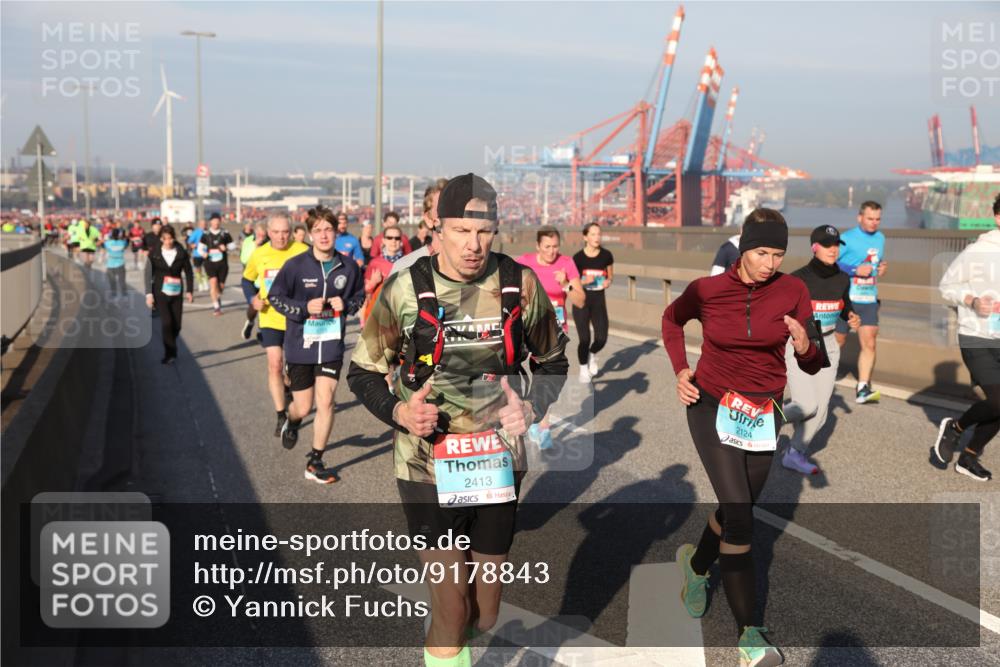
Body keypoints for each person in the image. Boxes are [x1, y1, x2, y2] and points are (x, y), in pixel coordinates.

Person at [346, 173, 568, 667]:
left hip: (496, 463)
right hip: (425, 462)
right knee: (450, 606)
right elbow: (361, 371)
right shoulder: (405, 288)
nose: (473, 245)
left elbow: (553, 363)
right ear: (437, 228)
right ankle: (446, 643)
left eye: (484, 232)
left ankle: (456, 637)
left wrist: (532, 406)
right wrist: (399, 410)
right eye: (461, 231)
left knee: (483, 614)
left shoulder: (519, 283)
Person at [663, 208, 821, 667]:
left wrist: (804, 345)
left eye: (777, 253)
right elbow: (672, 321)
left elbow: (814, 361)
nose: (770, 263)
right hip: (711, 404)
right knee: (740, 516)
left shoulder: (794, 290)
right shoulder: (708, 291)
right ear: (743, 248)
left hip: (763, 411)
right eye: (760, 252)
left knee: (741, 508)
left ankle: (695, 566)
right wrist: (680, 369)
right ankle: (750, 634)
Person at [267, 207, 364, 483]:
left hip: (332, 344)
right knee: (304, 405)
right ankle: (293, 419)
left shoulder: (347, 266)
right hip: (301, 345)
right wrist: (302, 307)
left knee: (327, 401)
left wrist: (346, 305)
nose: (324, 235)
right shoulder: (296, 265)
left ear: (336, 232)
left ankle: (315, 461)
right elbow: (275, 297)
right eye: (318, 230)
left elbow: (359, 296)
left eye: (329, 229)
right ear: (310, 234)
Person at [781, 226, 860, 475]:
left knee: (822, 413)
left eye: (836, 244)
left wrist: (850, 315)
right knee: (806, 405)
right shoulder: (797, 279)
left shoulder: (843, 278)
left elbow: (844, 304)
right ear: (814, 247)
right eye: (827, 245)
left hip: (828, 345)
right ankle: (763, 417)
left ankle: (794, 453)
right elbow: (779, 315)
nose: (833, 249)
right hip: (801, 344)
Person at [933, 194, 1000, 482]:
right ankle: (956, 428)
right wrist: (971, 300)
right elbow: (946, 286)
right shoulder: (978, 251)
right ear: (998, 217)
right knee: (998, 401)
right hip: (976, 336)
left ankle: (969, 456)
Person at [241, 216, 310, 436]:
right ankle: (281, 414)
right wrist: (252, 298)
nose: (282, 237)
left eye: (285, 232)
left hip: (296, 318)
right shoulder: (259, 253)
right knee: (274, 364)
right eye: (277, 232)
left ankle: (288, 388)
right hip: (270, 317)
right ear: (268, 232)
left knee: (292, 369)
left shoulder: (301, 250)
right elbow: (246, 279)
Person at [835, 201, 887, 404]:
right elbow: (829, 262)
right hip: (846, 298)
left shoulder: (881, 238)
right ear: (860, 218)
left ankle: (863, 388)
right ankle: (821, 378)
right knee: (838, 341)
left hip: (868, 299)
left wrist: (881, 268)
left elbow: (875, 263)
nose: (874, 223)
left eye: (877, 219)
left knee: (870, 342)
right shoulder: (846, 238)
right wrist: (854, 270)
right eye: (870, 218)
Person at [145, 225, 194, 364]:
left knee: (177, 325)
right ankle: (170, 353)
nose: (168, 241)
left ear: (174, 237)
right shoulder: (154, 253)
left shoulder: (181, 253)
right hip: (160, 292)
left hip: (177, 292)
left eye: (170, 238)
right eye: (165, 239)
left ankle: (171, 345)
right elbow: (148, 273)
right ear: (161, 239)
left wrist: (190, 291)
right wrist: (149, 294)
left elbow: (189, 272)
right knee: (166, 323)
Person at [572, 222, 614, 379]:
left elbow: (610, 276)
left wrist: (608, 281)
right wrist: (584, 281)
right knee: (584, 338)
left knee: (601, 338)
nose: (597, 237)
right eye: (593, 234)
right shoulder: (578, 258)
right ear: (585, 237)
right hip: (581, 301)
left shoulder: (606, 255)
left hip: (598, 301)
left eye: (599, 234)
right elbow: (572, 282)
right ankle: (583, 369)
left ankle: (593, 354)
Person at [361, 225, 405, 327]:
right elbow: (365, 293)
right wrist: (373, 282)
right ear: (383, 240)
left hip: (400, 315)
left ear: (401, 241)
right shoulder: (375, 263)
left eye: (397, 238)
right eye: (389, 238)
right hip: (379, 315)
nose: (393, 241)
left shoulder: (408, 262)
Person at [240, 222, 269, 340]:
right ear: (255, 233)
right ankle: (250, 321)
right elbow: (244, 259)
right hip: (251, 279)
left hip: (264, 280)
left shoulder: (270, 242)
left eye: (263, 235)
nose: (261, 237)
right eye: (259, 235)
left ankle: (262, 330)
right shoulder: (248, 241)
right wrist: (255, 246)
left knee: (264, 305)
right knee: (253, 305)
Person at [202, 213, 234, 315]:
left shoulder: (225, 233)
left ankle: (218, 297)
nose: (215, 223)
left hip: (222, 263)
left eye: (217, 221)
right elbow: (200, 248)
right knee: (213, 283)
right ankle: (216, 308)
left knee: (221, 286)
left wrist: (227, 247)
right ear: (210, 222)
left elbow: (233, 245)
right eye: (214, 221)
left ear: (220, 222)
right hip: (210, 263)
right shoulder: (206, 234)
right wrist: (204, 253)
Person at [104, 228, 130, 300]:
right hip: (120, 264)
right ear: (119, 235)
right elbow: (127, 242)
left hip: (110, 265)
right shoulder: (122, 242)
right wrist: (124, 237)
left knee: (112, 281)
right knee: (122, 281)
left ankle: (114, 295)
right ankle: (124, 295)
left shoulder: (108, 243)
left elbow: (103, 245)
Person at [187, 219, 209, 293]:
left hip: (206, 254)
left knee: (207, 269)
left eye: (205, 224)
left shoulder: (208, 232)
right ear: (199, 225)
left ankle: (205, 282)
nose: (204, 225)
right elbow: (189, 242)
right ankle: (200, 283)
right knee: (198, 269)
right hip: (197, 254)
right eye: (202, 224)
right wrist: (192, 245)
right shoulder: (196, 232)